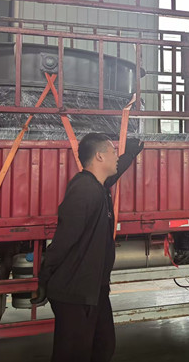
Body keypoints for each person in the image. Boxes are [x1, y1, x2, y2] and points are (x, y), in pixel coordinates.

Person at [31, 133, 144, 362]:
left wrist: (130, 153)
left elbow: (113, 175)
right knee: (74, 355)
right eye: (113, 152)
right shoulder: (84, 190)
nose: (116, 157)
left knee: (103, 346)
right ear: (100, 156)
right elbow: (63, 241)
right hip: (75, 291)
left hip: (94, 289)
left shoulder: (97, 186)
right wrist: (44, 279)